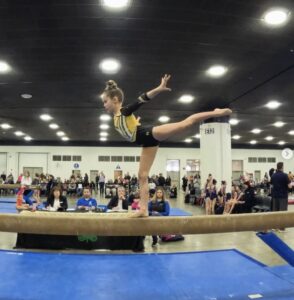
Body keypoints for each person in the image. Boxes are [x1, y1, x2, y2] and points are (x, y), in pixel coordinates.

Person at [101, 74, 232, 217]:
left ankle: (215, 112)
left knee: (186, 123)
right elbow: (129, 128)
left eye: (105, 101)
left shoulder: (124, 111)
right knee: (142, 175)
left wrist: (159, 88)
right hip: (145, 143)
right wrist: (136, 123)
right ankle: (143, 210)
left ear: (115, 100)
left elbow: (143, 99)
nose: (104, 105)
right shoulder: (116, 118)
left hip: (149, 135)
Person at [270, 162, 291, 231]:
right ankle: (281, 228)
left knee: (275, 212)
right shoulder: (285, 175)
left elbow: (271, 186)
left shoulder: (273, 175)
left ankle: (274, 226)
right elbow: (289, 186)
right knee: (282, 212)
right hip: (283, 197)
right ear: (282, 167)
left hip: (275, 196)